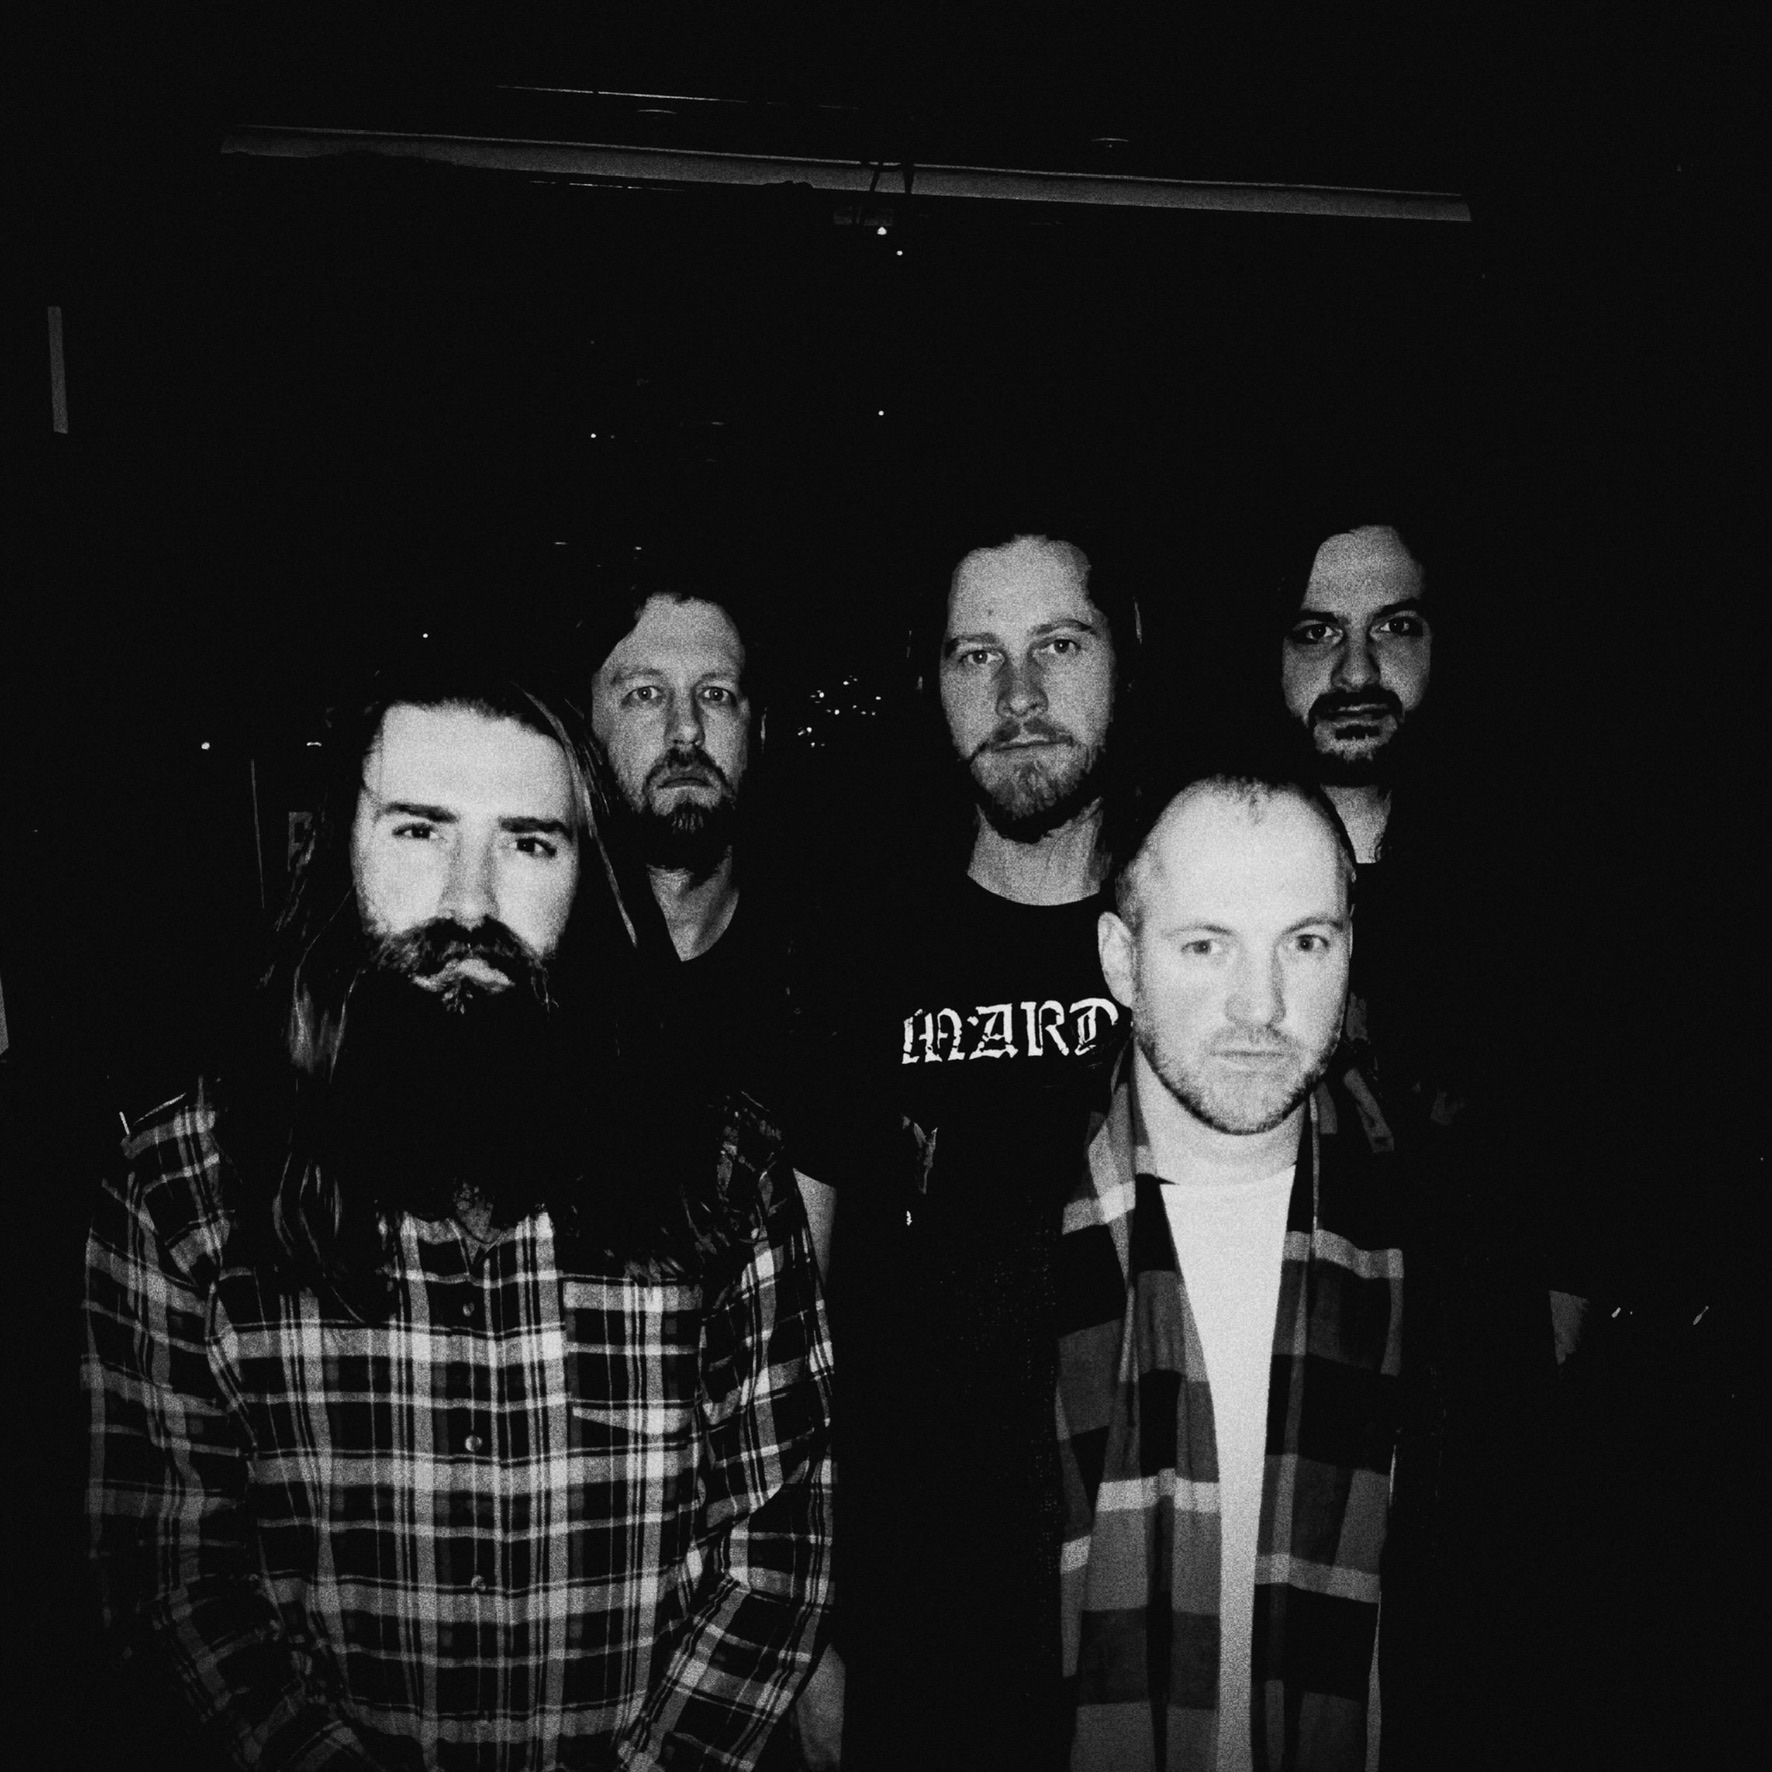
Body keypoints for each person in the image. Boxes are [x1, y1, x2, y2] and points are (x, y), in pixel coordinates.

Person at [83, 645, 835, 1772]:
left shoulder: (722, 1170)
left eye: (528, 842)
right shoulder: (179, 1188)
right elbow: (171, 1579)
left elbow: (774, 1544)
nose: (470, 901)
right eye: (420, 830)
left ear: (587, 878)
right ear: (334, 849)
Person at [1058, 769, 1556, 1772]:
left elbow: (1508, 1633)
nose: (1262, 1004)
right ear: (1120, 959)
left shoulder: (1461, 1252)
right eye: (1205, 945)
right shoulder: (990, 1248)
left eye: (1306, 942)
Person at [823, 521, 1141, 1772]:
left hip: (1150, 1610)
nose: (1015, 696)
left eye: (1056, 643)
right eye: (975, 654)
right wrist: (814, 1637)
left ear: (1123, 653)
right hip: (919, 1645)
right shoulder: (854, 954)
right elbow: (789, 1330)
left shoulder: (1194, 943)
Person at [587, 569, 835, 1279]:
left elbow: (805, 1289)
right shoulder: (540, 981)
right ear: (588, 729)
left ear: (757, 730)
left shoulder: (821, 983)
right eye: (646, 694)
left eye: (716, 694)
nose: (687, 728)